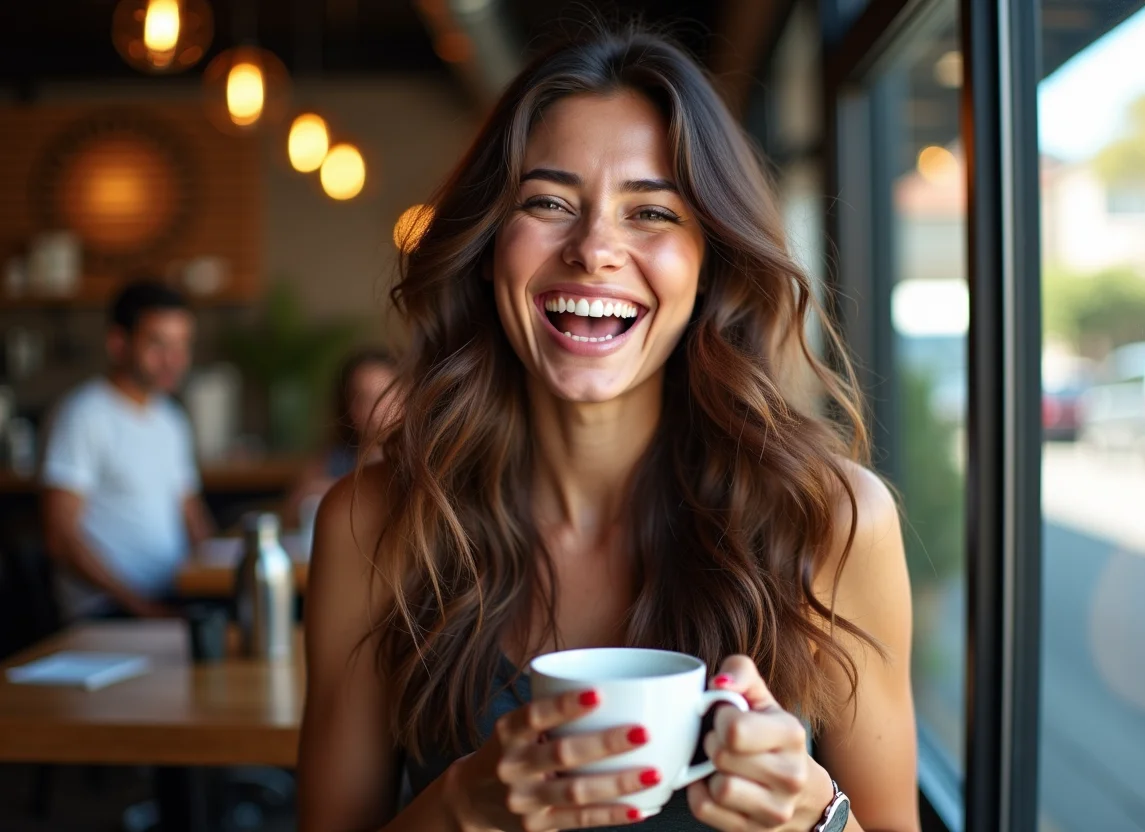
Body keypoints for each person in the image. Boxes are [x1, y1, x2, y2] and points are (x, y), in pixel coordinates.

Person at [299, 28, 917, 832]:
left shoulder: (834, 523)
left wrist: (816, 812)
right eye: (548, 203)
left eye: (652, 211)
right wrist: (462, 807)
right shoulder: (369, 527)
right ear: (490, 248)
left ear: (710, 264)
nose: (594, 250)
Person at [41, 280, 214, 619]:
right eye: (158, 344)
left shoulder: (171, 418)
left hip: (173, 594)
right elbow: (61, 537)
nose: (174, 361)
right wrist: (144, 609)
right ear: (118, 343)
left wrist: (221, 569)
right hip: (109, 610)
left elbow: (191, 513)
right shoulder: (83, 415)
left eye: (182, 345)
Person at [284, 347, 399, 520]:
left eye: (383, 397)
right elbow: (292, 510)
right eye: (360, 399)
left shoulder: (416, 460)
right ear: (346, 406)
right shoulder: (334, 458)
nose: (373, 410)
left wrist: (337, 491)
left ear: (406, 397)